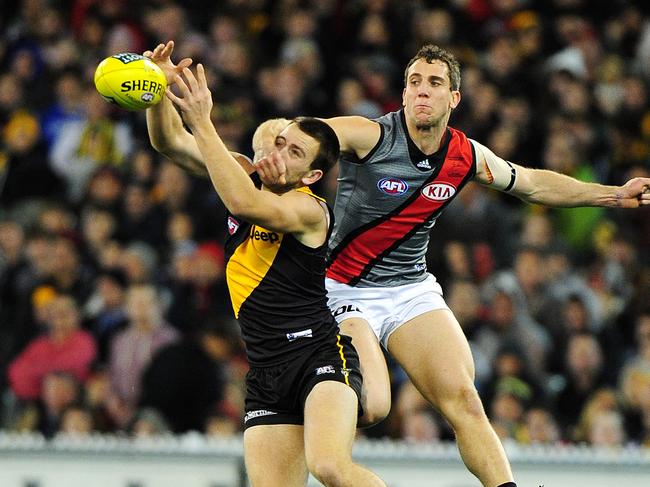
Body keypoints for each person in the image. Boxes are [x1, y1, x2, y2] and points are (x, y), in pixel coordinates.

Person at [146, 41, 650, 487]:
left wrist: (611, 195)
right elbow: (305, 139)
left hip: (408, 289)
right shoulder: (368, 135)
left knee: (464, 399)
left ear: (454, 98)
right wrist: (270, 152)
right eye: (413, 81)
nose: (421, 91)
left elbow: (534, 183)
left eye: (434, 83)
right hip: (338, 289)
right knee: (370, 411)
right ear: (402, 92)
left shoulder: (464, 156)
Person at [146, 42, 385, 487]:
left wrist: (203, 122)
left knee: (329, 466)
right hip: (266, 369)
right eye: (280, 143)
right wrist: (155, 90)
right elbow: (167, 142)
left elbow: (244, 203)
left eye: (295, 153)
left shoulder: (310, 209)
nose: (279, 154)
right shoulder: (241, 171)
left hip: (318, 354)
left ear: (313, 175)